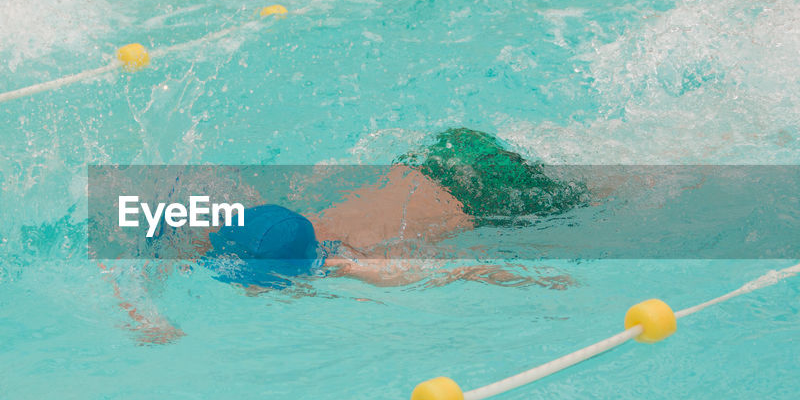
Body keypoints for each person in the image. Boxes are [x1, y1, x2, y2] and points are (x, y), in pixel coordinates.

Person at [203, 127, 588, 289]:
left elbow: (459, 272)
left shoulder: (352, 264)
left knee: (599, 196)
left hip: (487, 195)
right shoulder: (278, 224)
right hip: (436, 157)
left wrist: (539, 281)